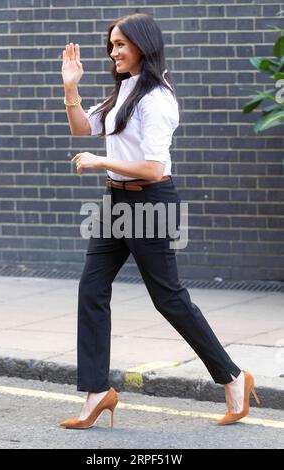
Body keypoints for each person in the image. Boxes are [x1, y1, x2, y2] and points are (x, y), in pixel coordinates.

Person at [59, 13, 260, 430]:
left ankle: (234, 377)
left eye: (120, 45)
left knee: (169, 298)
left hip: (149, 202)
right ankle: (97, 391)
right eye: (111, 45)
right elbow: (82, 129)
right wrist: (71, 87)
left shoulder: (157, 99)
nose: (112, 52)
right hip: (116, 202)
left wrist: (101, 162)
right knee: (91, 288)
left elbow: (152, 168)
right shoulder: (123, 92)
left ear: (143, 47)